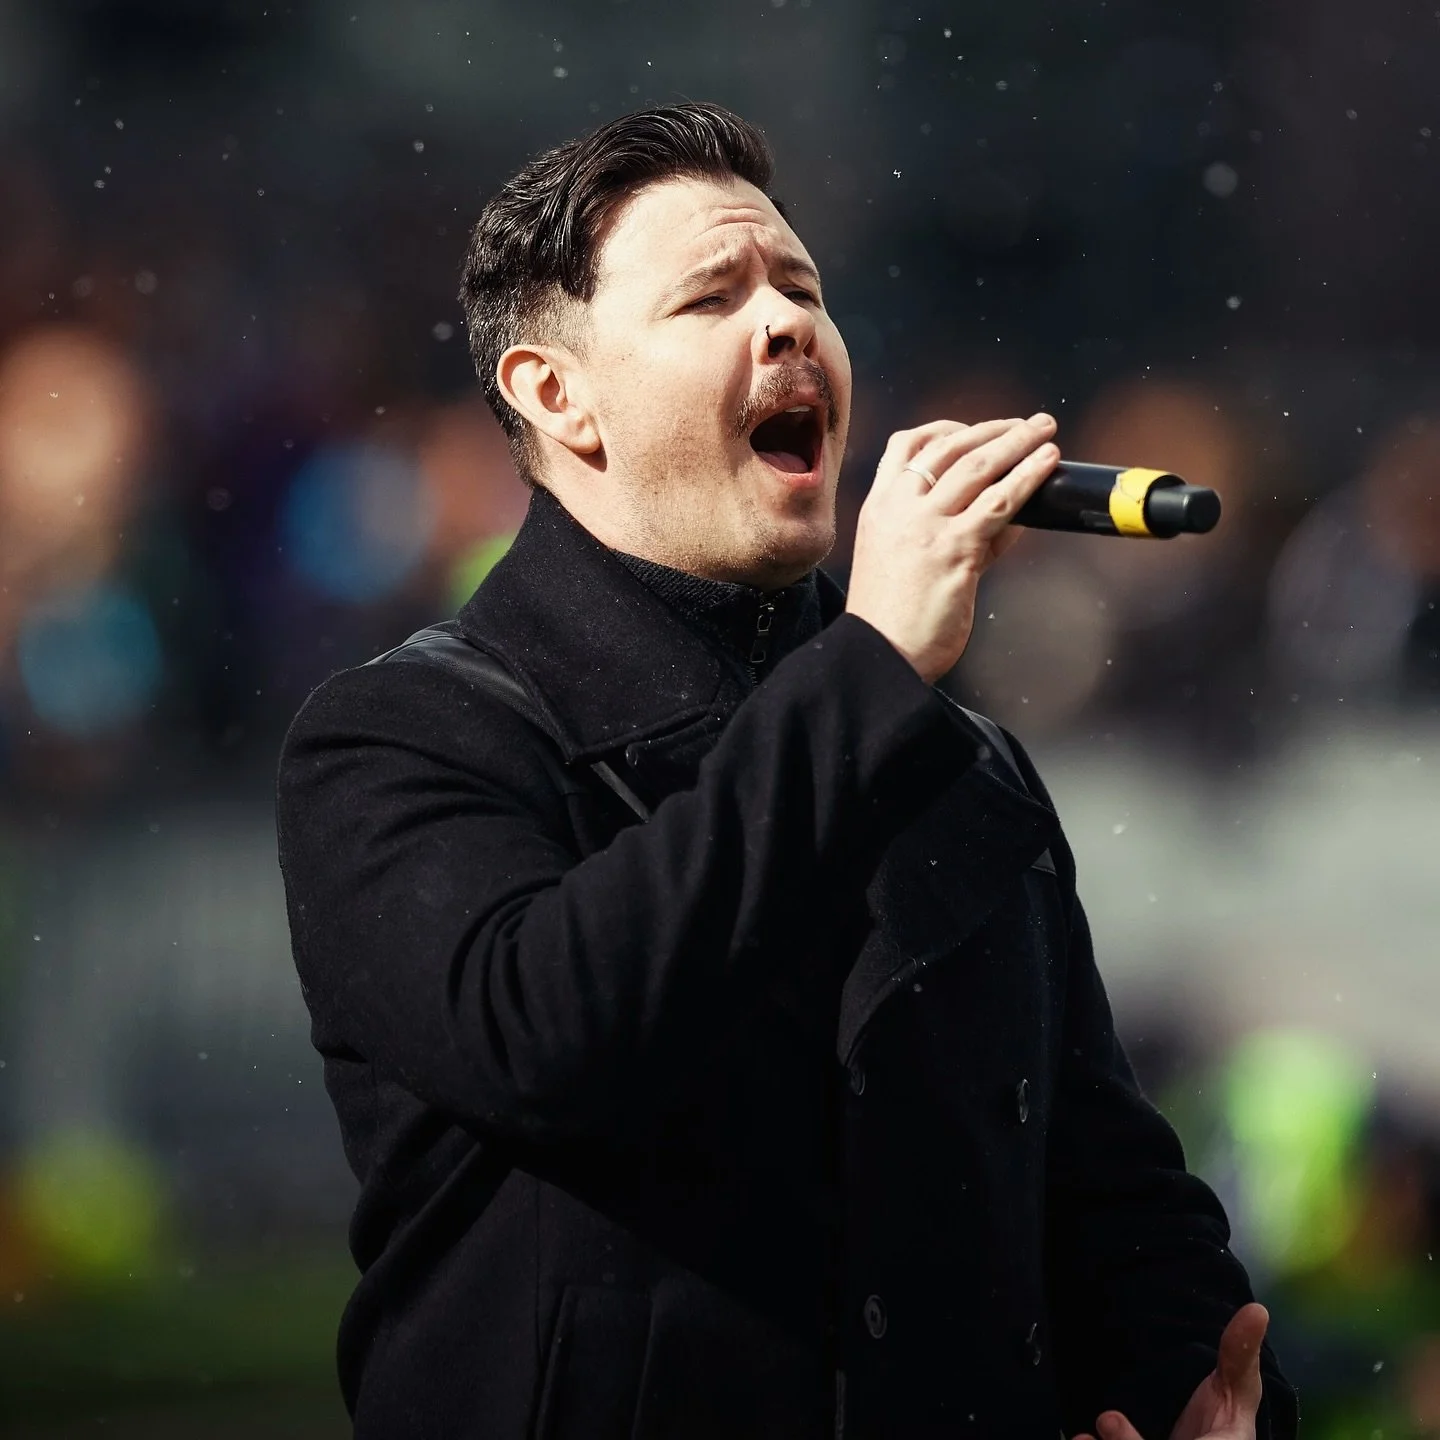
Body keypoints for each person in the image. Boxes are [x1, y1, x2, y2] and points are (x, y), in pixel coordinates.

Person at [275, 103, 1299, 1440]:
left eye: (804, 289)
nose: (787, 325)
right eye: (713, 296)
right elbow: (559, 1036)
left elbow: (1096, 1180)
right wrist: (870, 665)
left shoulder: (955, 757)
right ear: (554, 392)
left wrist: (1191, 1386)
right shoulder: (405, 733)